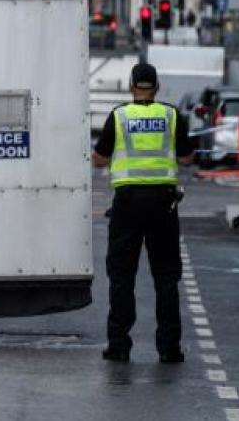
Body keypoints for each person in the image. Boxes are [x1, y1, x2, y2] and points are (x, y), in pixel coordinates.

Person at [92, 63, 194, 363]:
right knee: (165, 277)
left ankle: (119, 345)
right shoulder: (171, 115)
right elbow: (187, 158)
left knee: (122, 275)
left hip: (127, 203)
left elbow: (99, 160)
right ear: (158, 87)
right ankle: (169, 348)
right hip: (163, 203)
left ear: (131, 86)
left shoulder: (119, 116)